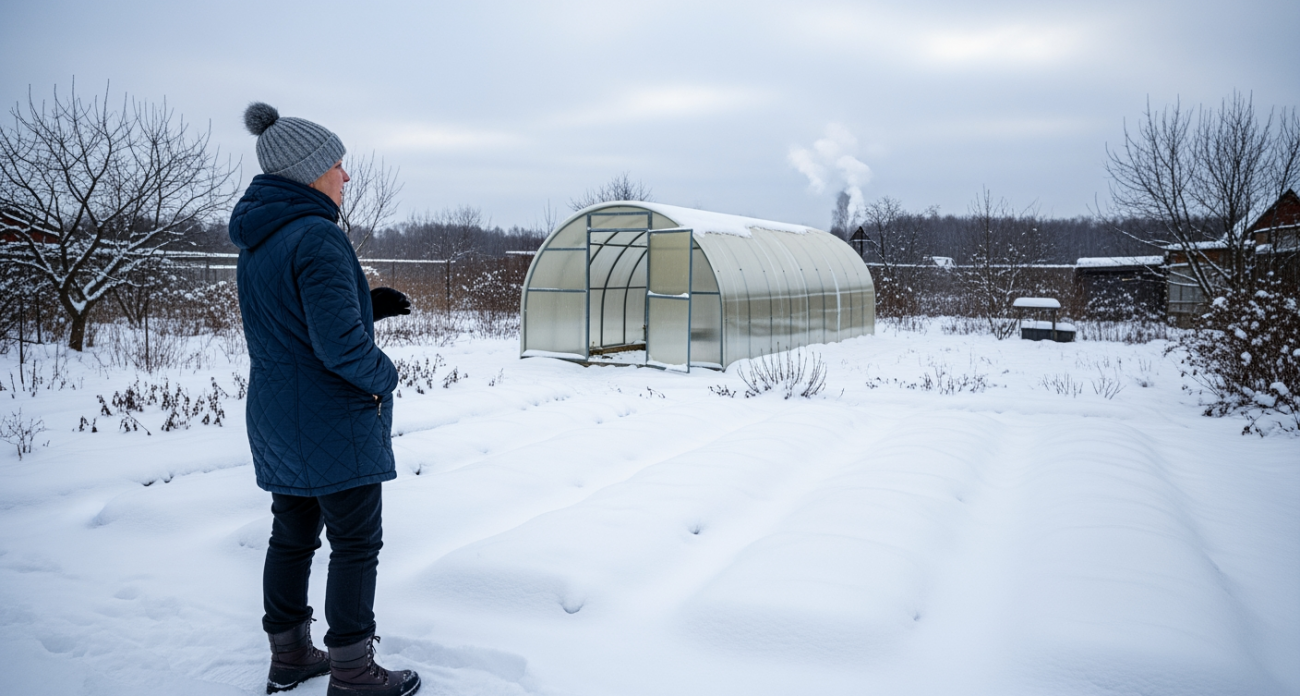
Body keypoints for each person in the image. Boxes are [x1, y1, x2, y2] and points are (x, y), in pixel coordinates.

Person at [228, 101, 418, 696]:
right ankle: (354, 671)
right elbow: (338, 348)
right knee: (356, 543)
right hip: (332, 416)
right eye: (338, 164)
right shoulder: (318, 236)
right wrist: (384, 375)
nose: (346, 175)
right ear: (311, 171)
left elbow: (289, 321)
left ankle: (289, 658)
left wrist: (369, 303)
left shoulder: (261, 239)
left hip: (278, 415)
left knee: (292, 535)